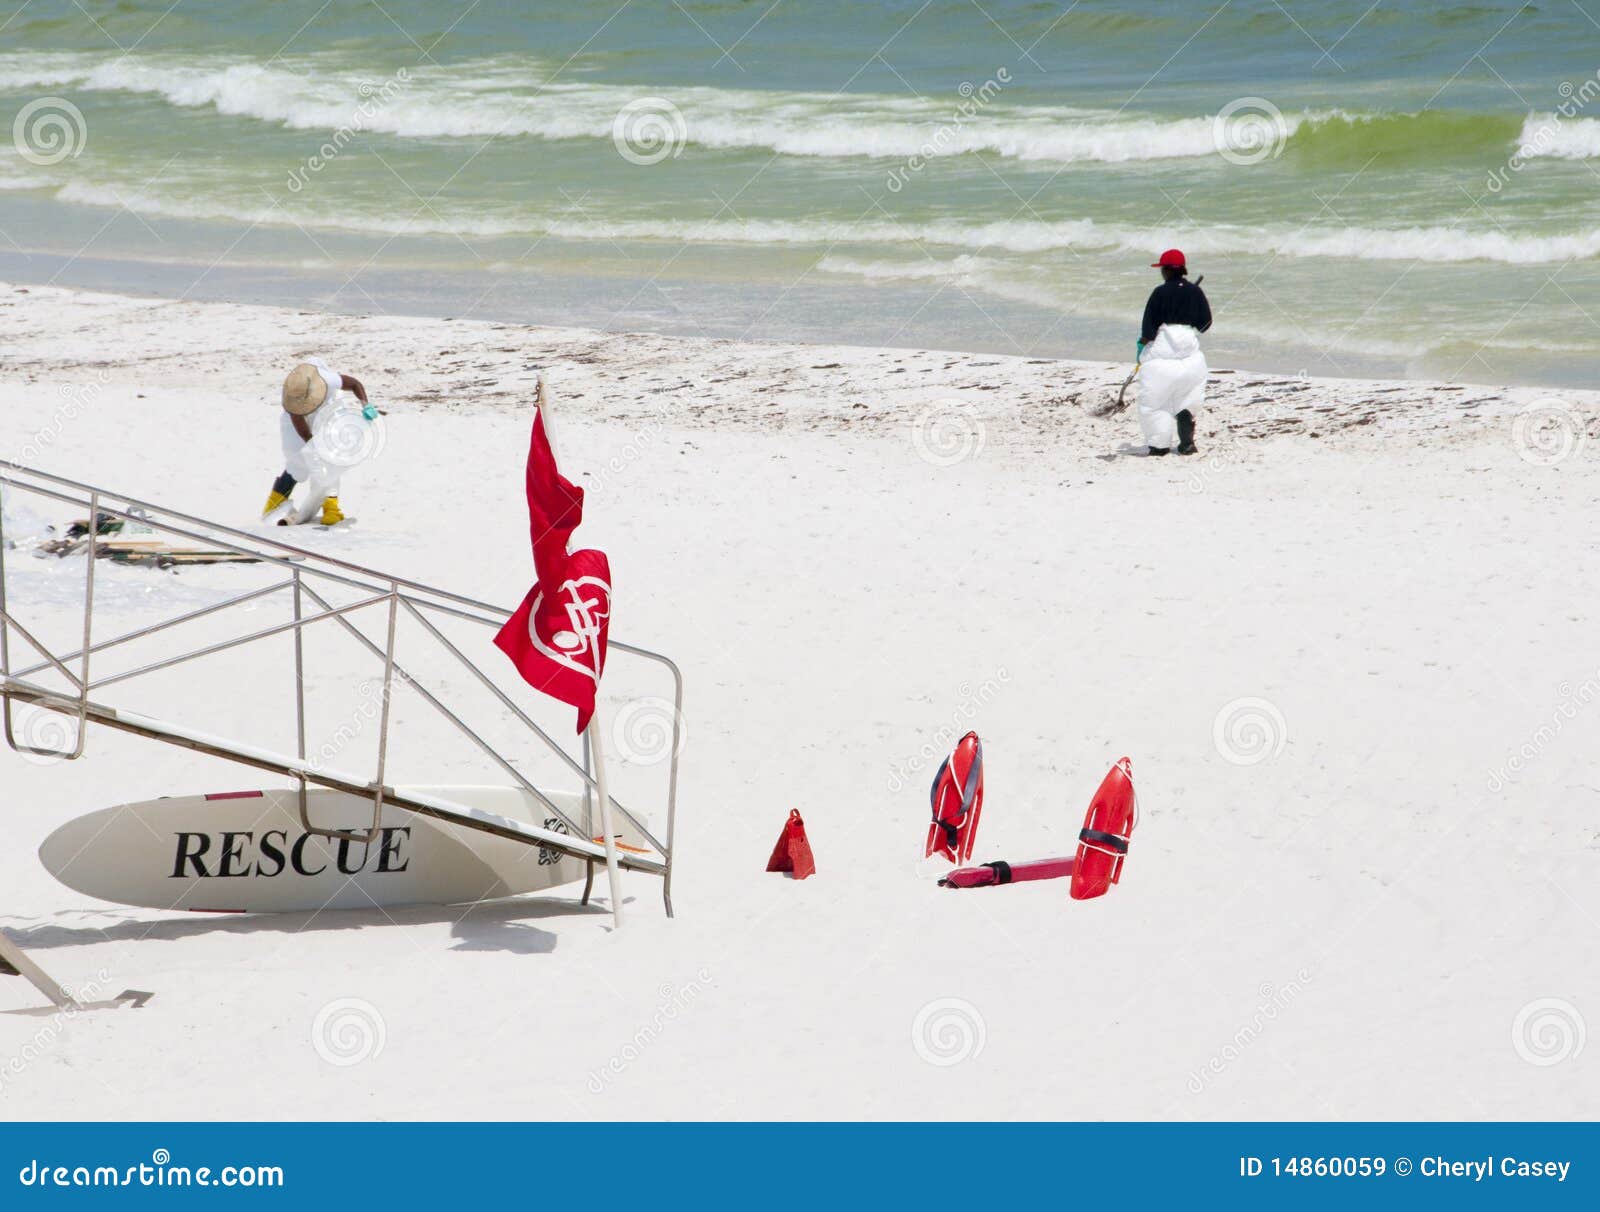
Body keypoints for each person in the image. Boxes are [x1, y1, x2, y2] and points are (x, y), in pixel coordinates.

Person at [260, 358, 374, 525]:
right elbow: (299, 423)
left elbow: (355, 384)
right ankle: (273, 506)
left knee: (330, 461)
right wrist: (312, 445)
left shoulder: (328, 379)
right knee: (297, 461)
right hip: (296, 423)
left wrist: (366, 405)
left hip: (327, 413)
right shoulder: (292, 395)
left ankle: (331, 509)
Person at [1135, 249, 1211, 456]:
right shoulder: (1195, 292)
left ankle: (1159, 447)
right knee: (1187, 401)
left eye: (1162, 269)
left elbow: (1148, 331)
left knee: (1156, 405)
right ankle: (1187, 444)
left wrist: (1140, 348)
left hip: (1161, 361)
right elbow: (1205, 324)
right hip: (1191, 362)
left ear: (1167, 270)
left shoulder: (1159, 292)